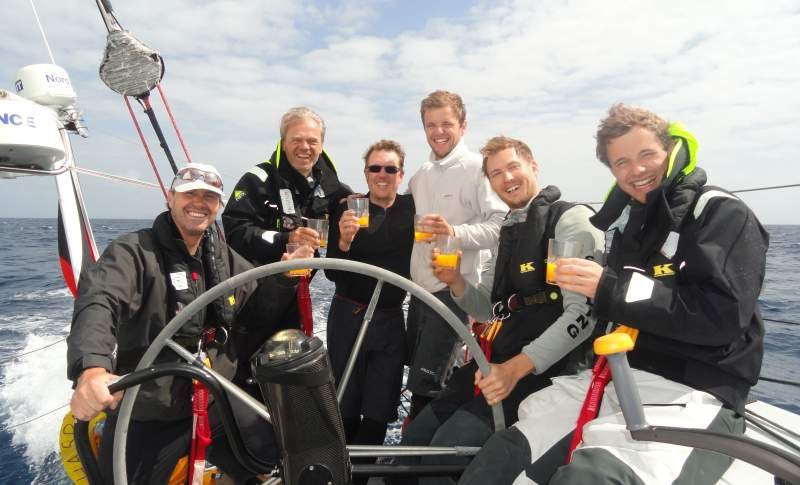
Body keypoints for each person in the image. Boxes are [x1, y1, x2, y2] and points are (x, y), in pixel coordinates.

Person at [459, 104, 769, 485]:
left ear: (670, 149)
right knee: (503, 455)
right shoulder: (632, 228)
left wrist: (606, 286)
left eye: (646, 154)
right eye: (621, 162)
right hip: (619, 377)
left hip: (695, 390)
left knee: (589, 477)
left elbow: (719, 318)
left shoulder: (720, 214)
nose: (636, 170)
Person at [67, 163, 311, 484]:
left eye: (209, 197)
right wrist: (92, 369)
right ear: (170, 198)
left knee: (275, 450)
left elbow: (255, 310)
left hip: (215, 398)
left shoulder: (224, 257)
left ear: (218, 206)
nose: (199, 203)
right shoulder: (132, 253)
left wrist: (283, 277)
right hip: (152, 409)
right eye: (189, 194)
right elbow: (99, 302)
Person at [396, 136, 603, 485]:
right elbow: (487, 307)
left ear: (533, 166)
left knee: (442, 453)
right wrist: (456, 281)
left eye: (512, 167)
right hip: (494, 362)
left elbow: (582, 317)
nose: (506, 178)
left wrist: (513, 370)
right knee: (413, 442)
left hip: (544, 372)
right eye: (495, 173)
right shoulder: (509, 229)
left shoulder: (570, 220)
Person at [406, 90, 507, 419]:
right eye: (430, 125)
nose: (438, 131)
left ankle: (421, 450)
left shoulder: (478, 169)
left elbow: (502, 226)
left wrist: (455, 232)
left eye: (446, 123)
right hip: (418, 293)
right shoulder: (420, 176)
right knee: (418, 380)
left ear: (463, 126)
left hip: (453, 293)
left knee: (430, 386)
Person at [324, 139, 415, 483]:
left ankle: (360, 479)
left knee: (379, 410)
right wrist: (344, 242)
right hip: (348, 317)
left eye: (390, 168)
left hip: (390, 319)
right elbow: (332, 272)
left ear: (400, 175)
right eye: (375, 168)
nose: (382, 174)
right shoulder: (348, 208)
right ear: (365, 173)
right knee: (345, 406)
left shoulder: (413, 209)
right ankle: (341, 475)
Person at [222, 106, 352, 265]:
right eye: (297, 140)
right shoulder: (256, 181)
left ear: (321, 146)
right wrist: (286, 238)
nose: (305, 147)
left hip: (303, 275)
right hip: (255, 277)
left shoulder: (334, 190)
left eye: (312, 141)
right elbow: (235, 233)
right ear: (284, 144)